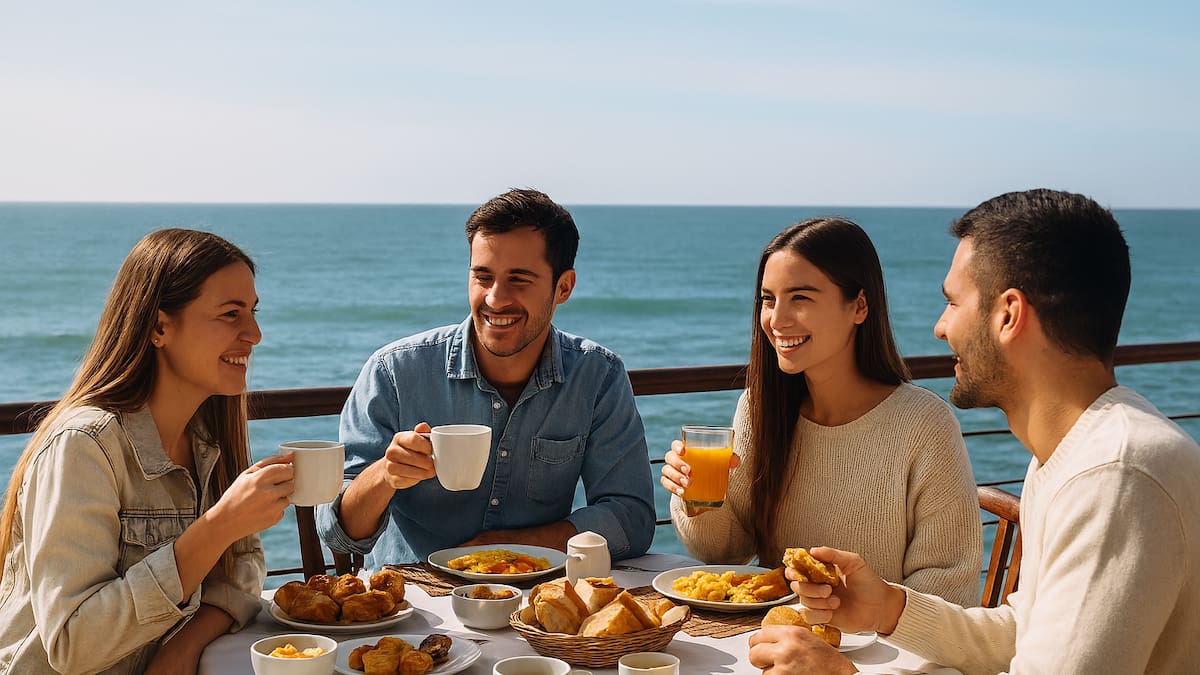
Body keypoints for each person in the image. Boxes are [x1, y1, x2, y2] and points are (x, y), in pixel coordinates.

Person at [749, 190, 1200, 674]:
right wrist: (889, 608)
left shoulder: (1115, 474)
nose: (940, 328)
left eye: (952, 302)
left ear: (1008, 315)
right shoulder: (1073, 453)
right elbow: (1022, 633)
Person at [0, 229, 294, 674]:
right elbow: (72, 644)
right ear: (160, 327)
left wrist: (184, 646)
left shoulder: (208, 440)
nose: (254, 333)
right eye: (231, 314)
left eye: (253, 312)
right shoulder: (84, 446)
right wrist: (217, 527)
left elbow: (243, 568)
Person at [317, 188, 655, 568]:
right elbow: (338, 532)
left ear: (563, 287)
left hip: (538, 596)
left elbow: (632, 517)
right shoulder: (394, 372)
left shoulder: (598, 376)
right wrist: (385, 474)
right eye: (483, 277)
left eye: (518, 280)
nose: (495, 298)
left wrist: (509, 548)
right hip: (412, 597)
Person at [662, 217, 982, 606]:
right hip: (773, 636)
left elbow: (948, 588)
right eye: (768, 299)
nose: (776, 320)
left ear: (859, 306)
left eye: (800, 298)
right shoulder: (759, 408)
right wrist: (697, 499)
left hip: (878, 644)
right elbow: (724, 552)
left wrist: (862, 625)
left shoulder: (924, 424)